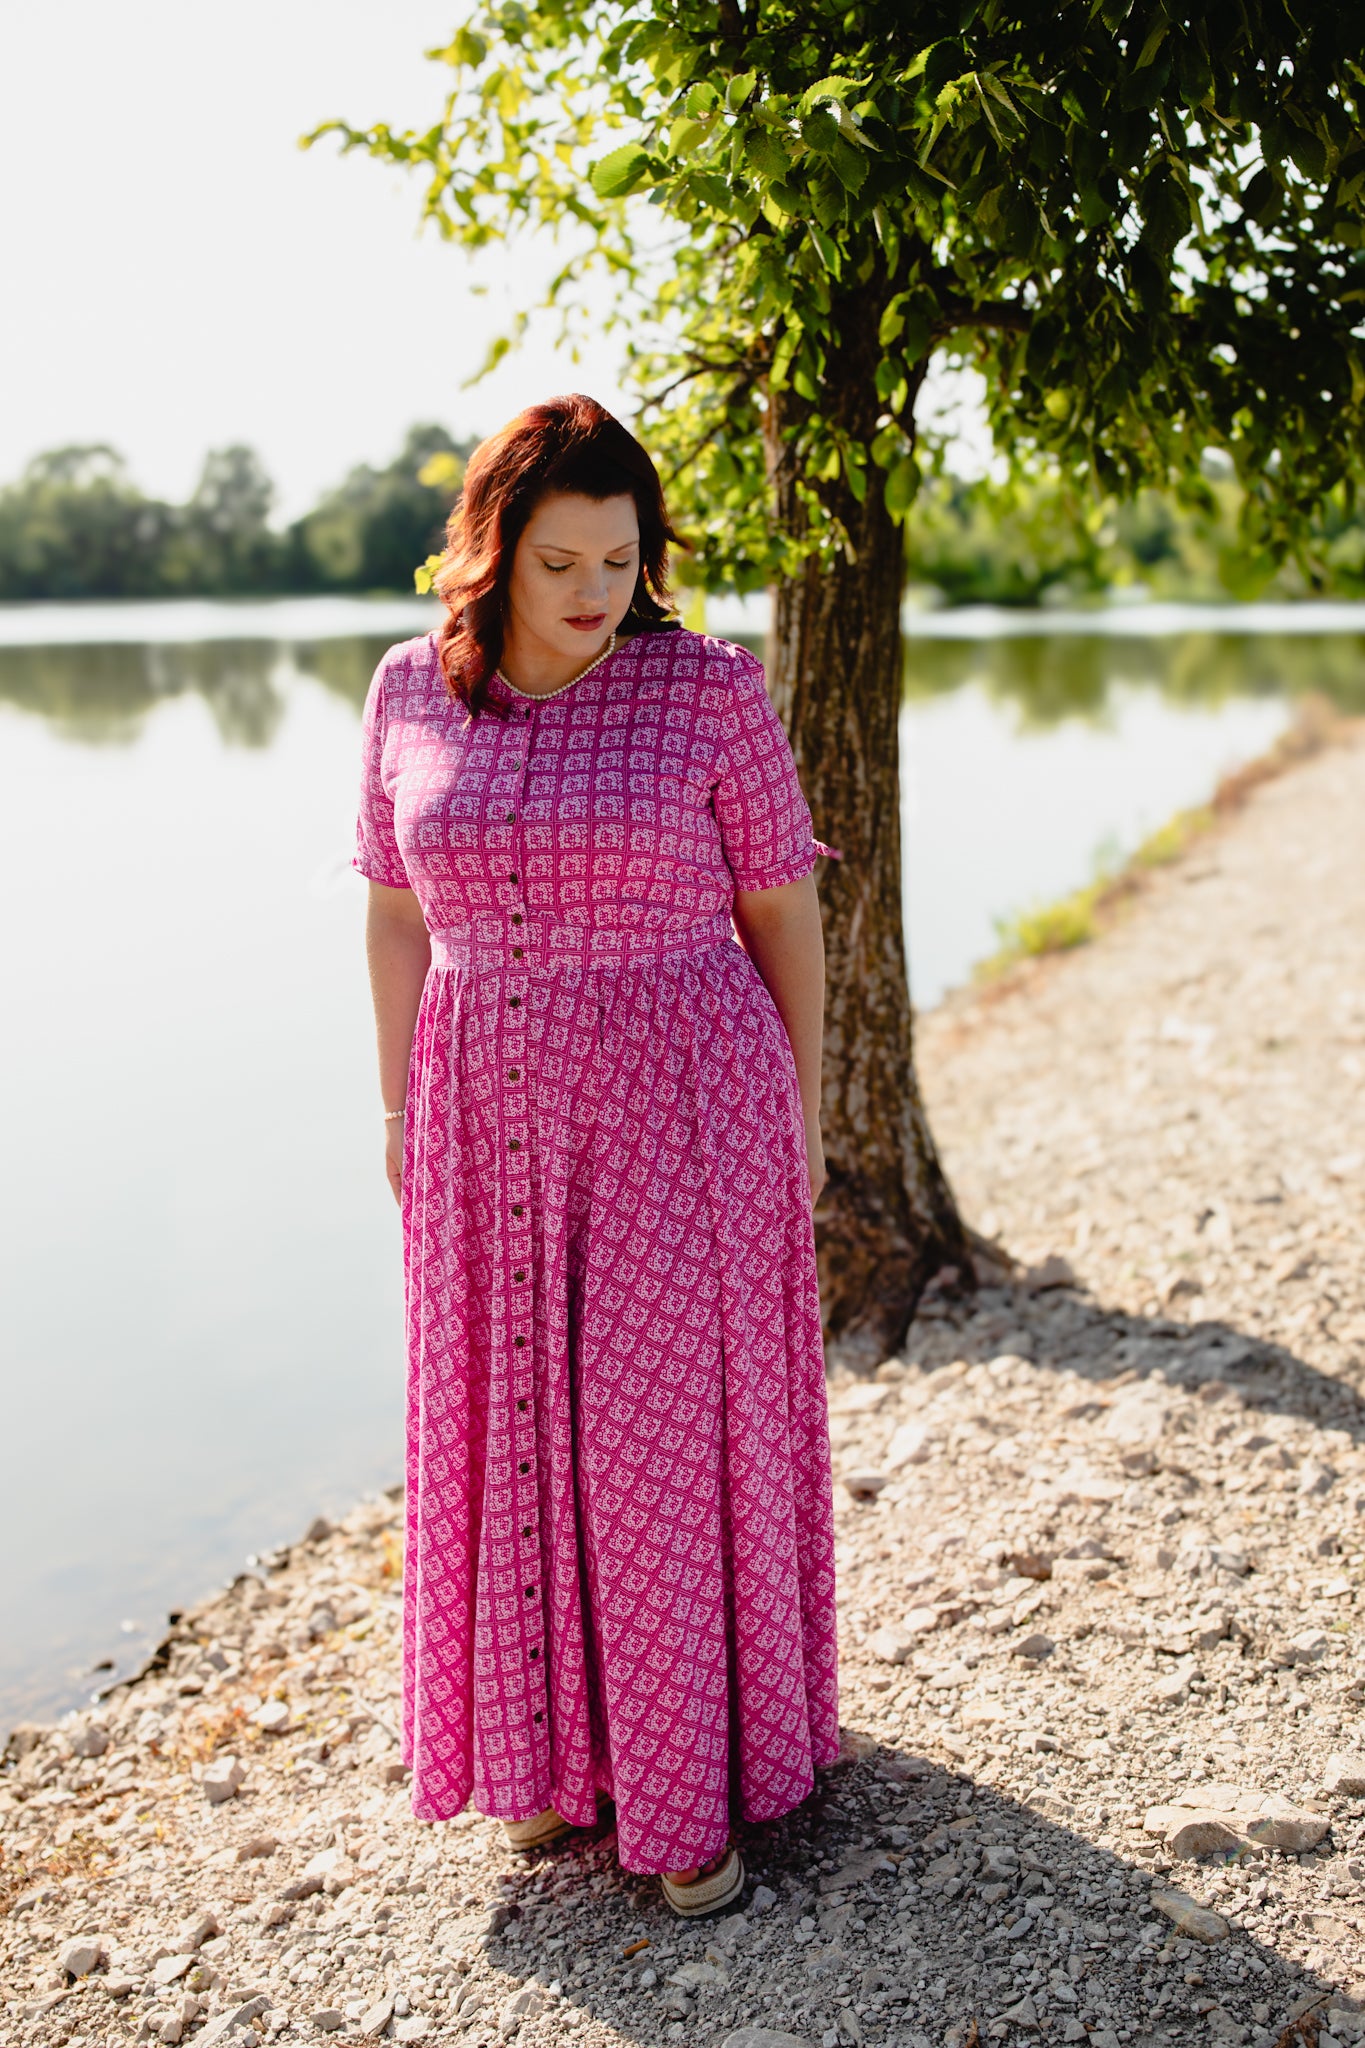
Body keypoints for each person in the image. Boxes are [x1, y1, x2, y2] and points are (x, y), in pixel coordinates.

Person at [354, 392, 838, 1916]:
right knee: (507, 1428)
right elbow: (390, 909)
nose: (587, 595)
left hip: (680, 1101)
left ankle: (688, 1795)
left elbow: (784, 915)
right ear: (487, 552)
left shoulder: (707, 693)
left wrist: (804, 1122)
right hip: (476, 1108)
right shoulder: (404, 694)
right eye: (557, 560)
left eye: (618, 563)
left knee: (645, 1442)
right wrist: (385, 1110)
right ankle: (552, 1760)